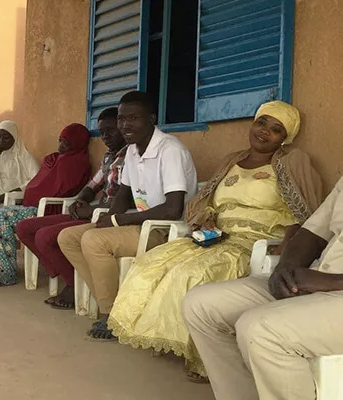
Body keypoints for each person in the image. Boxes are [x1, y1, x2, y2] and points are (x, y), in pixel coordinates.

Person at [107, 101, 323, 382]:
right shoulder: (232, 160)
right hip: (214, 236)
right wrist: (205, 217)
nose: (265, 132)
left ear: (286, 137)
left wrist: (288, 245)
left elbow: (306, 213)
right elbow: (203, 199)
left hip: (254, 242)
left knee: (193, 274)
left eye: (276, 129)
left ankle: (204, 358)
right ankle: (172, 338)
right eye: (262, 123)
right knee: (150, 263)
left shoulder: (293, 163)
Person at [182, 174, 343, 400]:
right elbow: (313, 233)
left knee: (261, 331)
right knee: (201, 305)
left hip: (332, 289)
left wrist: (332, 282)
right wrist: (285, 269)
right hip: (313, 281)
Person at [57, 90, 197, 340]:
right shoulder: (132, 151)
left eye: (133, 118)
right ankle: (118, 303)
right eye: (121, 119)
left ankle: (111, 316)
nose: (125, 125)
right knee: (68, 237)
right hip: (141, 224)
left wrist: (118, 221)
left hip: (167, 231)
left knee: (93, 241)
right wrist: (108, 219)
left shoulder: (170, 150)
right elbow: (123, 195)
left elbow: (173, 209)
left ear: (151, 119)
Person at [17, 108, 127, 306]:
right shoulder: (109, 157)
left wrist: (91, 210)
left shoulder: (131, 157)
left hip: (107, 216)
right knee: (25, 227)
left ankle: (72, 285)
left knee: (45, 236)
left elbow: (126, 200)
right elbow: (92, 185)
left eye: (111, 130)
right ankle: (70, 275)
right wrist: (80, 200)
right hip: (92, 211)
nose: (105, 136)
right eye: (102, 132)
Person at [0, 123, 92, 287]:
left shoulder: (75, 164)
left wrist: (29, 195)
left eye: (66, 143)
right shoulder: (56, 160)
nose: (61, 146)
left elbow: (59, 190)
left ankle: (4, 275)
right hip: (30, 205)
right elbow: (38, 184)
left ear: (77, 144)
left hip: (46, 210)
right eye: (60, 141)